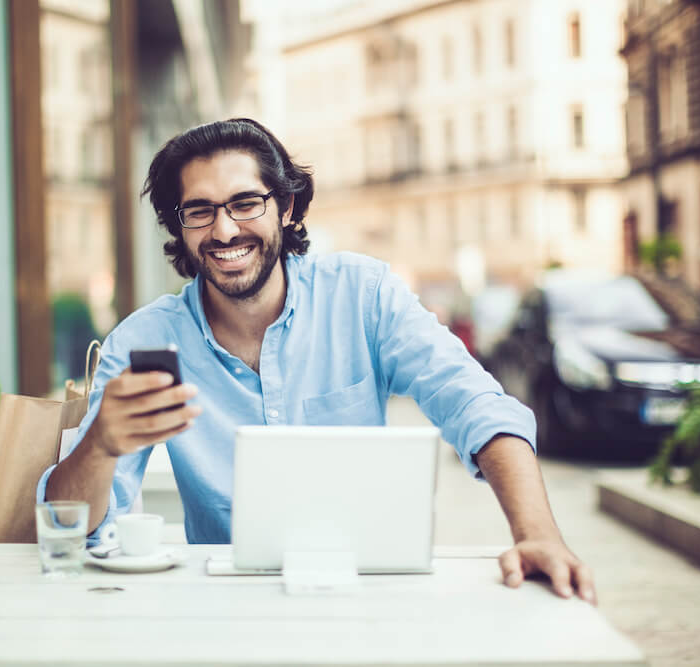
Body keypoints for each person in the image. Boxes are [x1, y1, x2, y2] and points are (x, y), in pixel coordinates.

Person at [42, 118, 596, 604]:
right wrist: (100, 445)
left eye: (245, 203)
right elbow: (69, 525)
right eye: (200, 211)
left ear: (285, 207)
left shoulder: (365, 294)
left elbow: (477, 405)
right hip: (222, 612)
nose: (225, 229)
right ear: (178, 228)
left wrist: (537, 534)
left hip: (371, 597)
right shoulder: (145, 339)